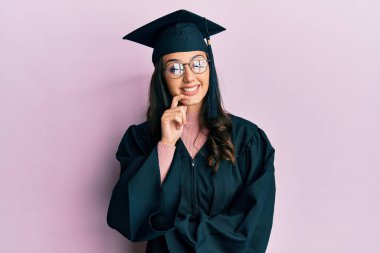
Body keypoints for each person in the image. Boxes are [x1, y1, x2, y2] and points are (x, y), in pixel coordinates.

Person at [107, 9, 276, 253]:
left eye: (198, 64)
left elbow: (254, 223)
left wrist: (175, 235)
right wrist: (165, 145)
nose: (189, 77)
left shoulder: (248, 139)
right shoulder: (140, 140)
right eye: (175, 68)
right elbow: (130, 217)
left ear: (209, 67)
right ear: (161, 76)